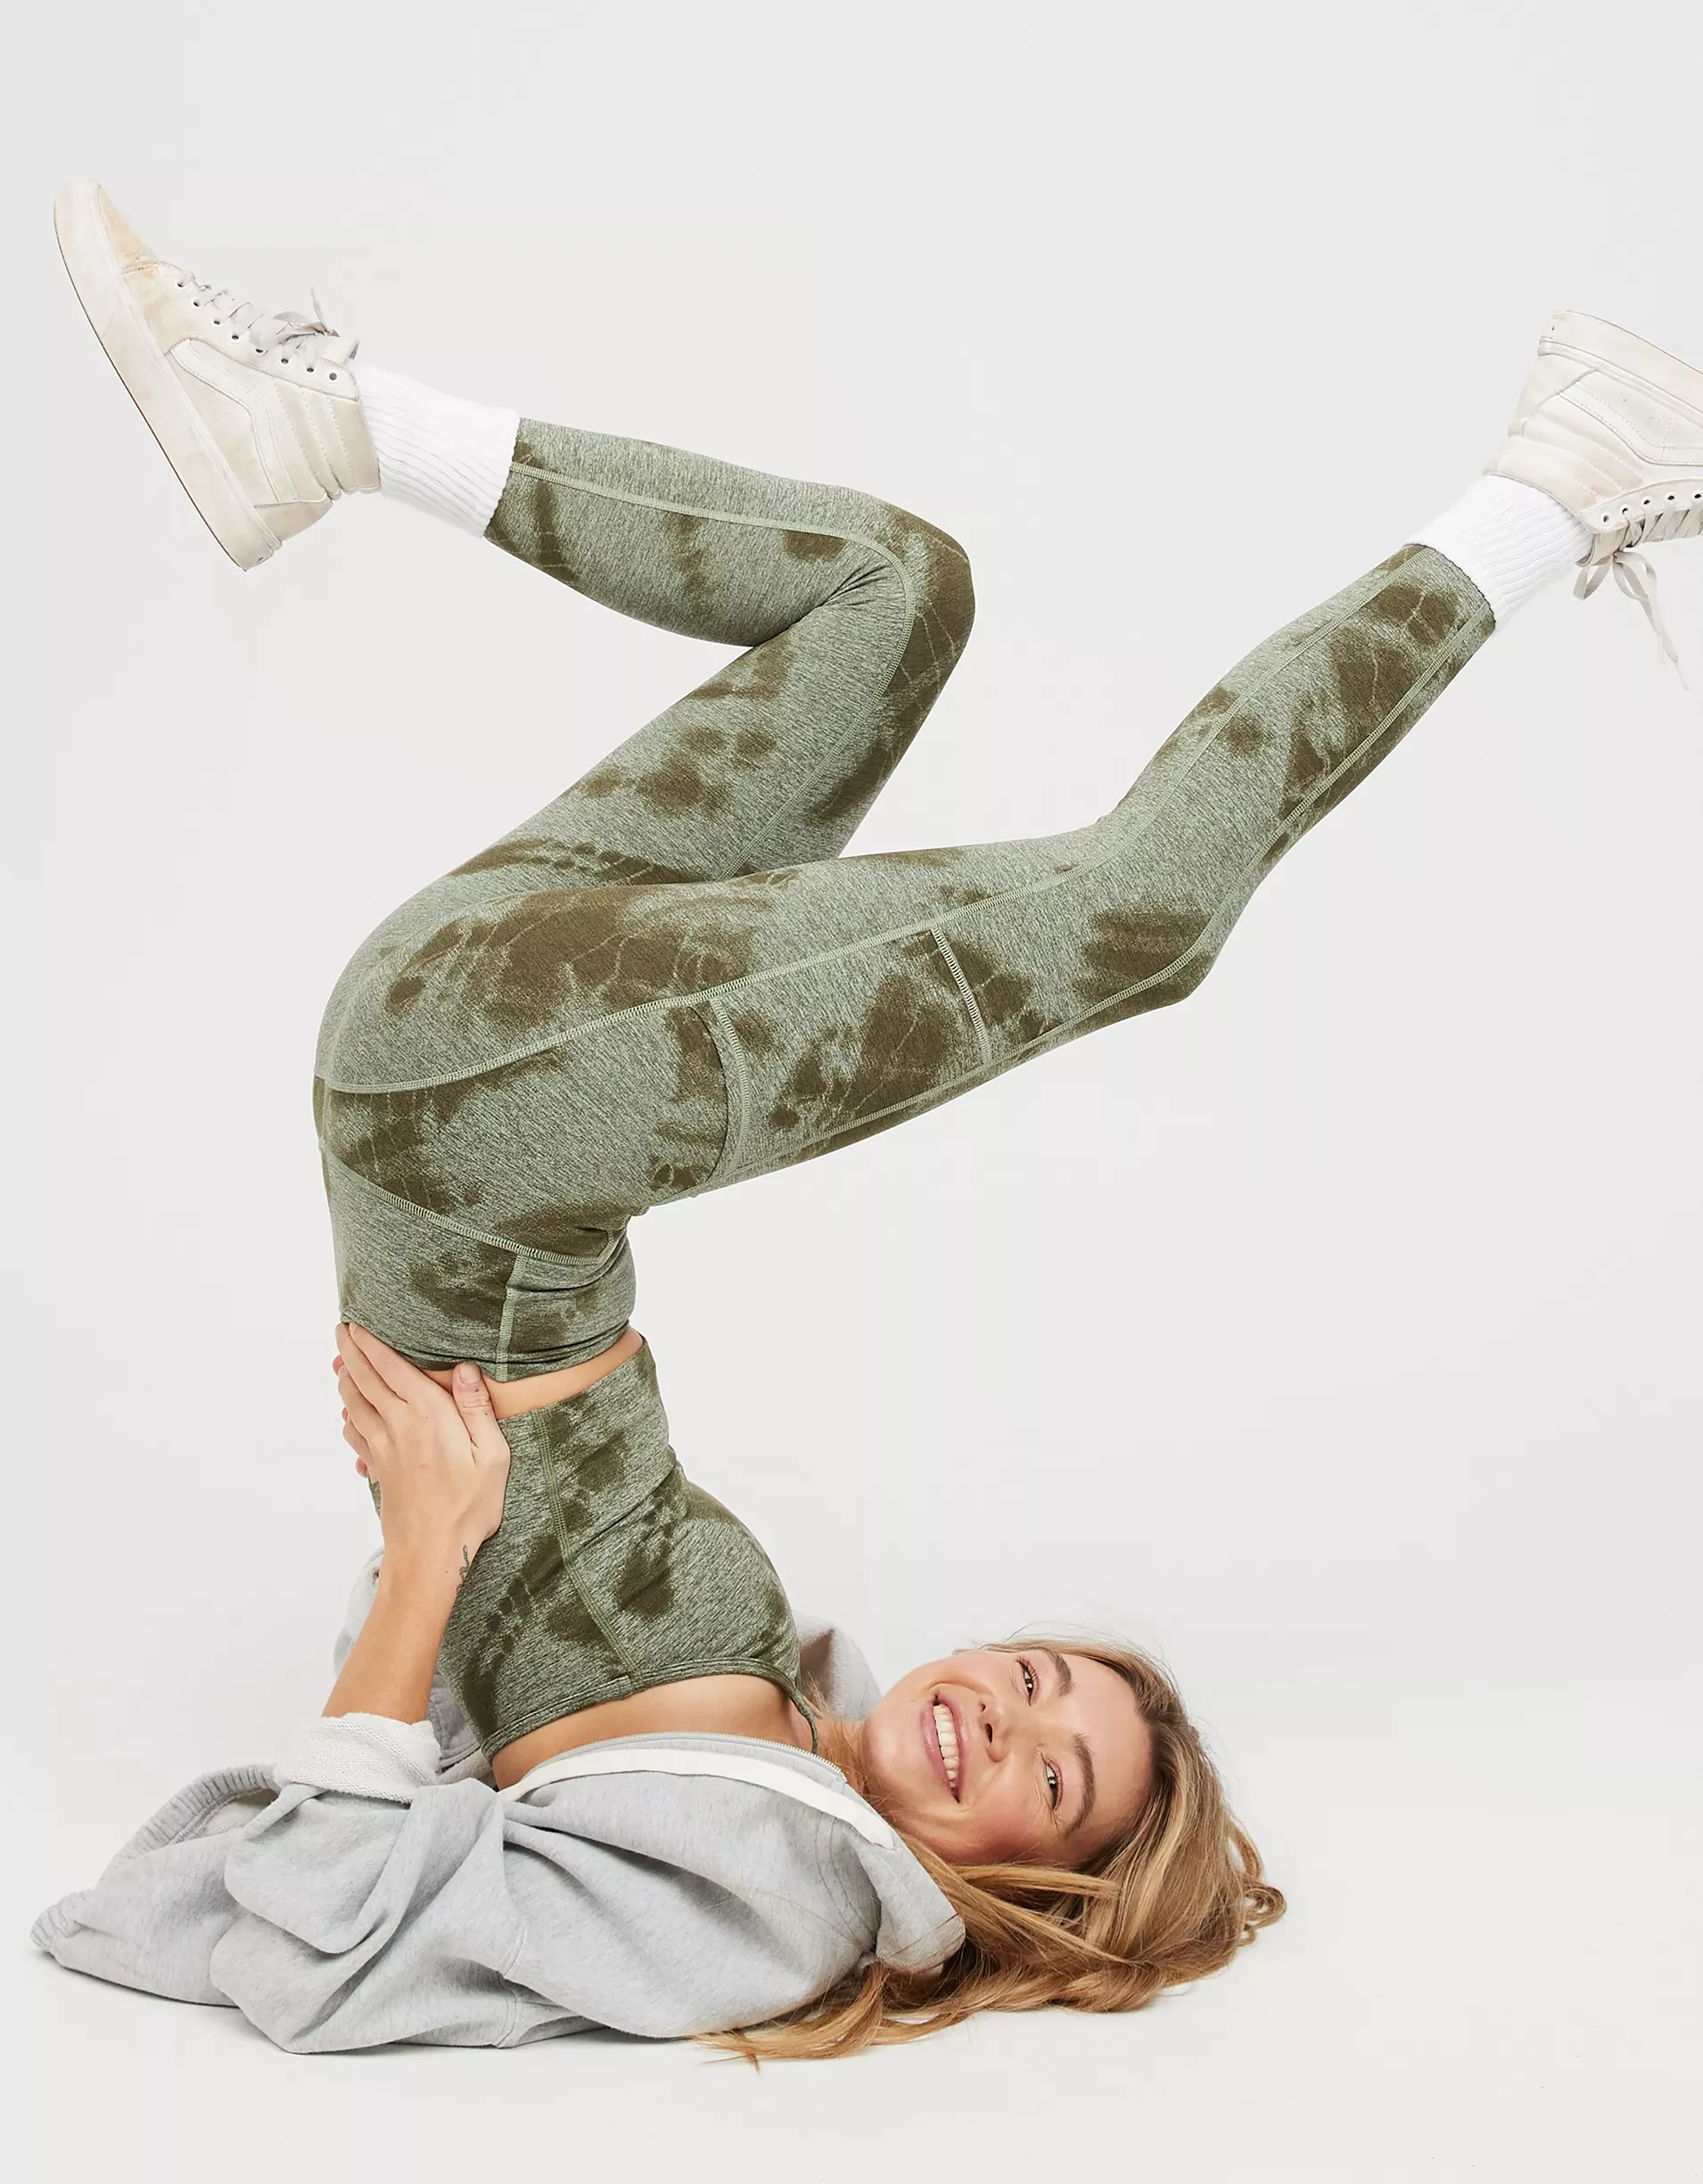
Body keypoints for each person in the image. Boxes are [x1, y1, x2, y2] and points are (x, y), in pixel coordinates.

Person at [34, 180, 1700, 2061]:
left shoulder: (771, 1910)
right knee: (895, 586)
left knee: (1131, 920)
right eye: (1047, 1683)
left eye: (1049, 1786)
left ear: (1026, 1888)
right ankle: (329, 430)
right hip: (482, 1074)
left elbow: (320, 1934)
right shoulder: (789, 1732)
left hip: (483, 1134)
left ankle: (1564, 478)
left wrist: (421, 1559)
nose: (1007, 1717)